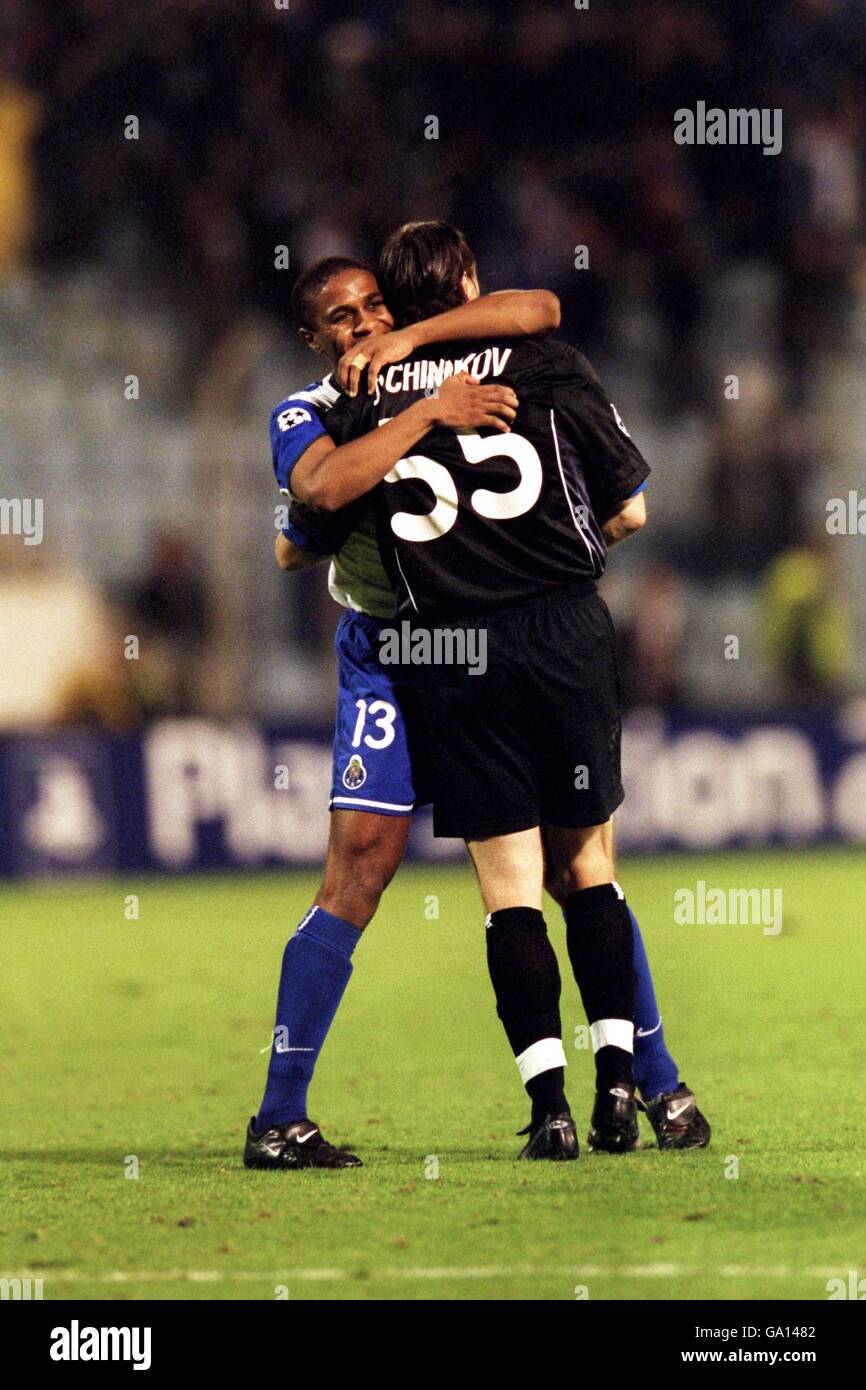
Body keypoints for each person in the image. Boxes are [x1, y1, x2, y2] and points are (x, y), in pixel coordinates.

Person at [246, 245, 709, 1169]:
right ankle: (278, 1116)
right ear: (312, 337)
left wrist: (418, 365)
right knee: (362, 870)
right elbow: (317, 502)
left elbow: (534, 307)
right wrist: (424, 414)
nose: (366, 321)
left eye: (375, 304)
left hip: (476, 650)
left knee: (571, 865)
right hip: (388, 654)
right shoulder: (317, 410)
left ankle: (654, 1081)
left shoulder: (438, 368)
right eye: (343, 317)